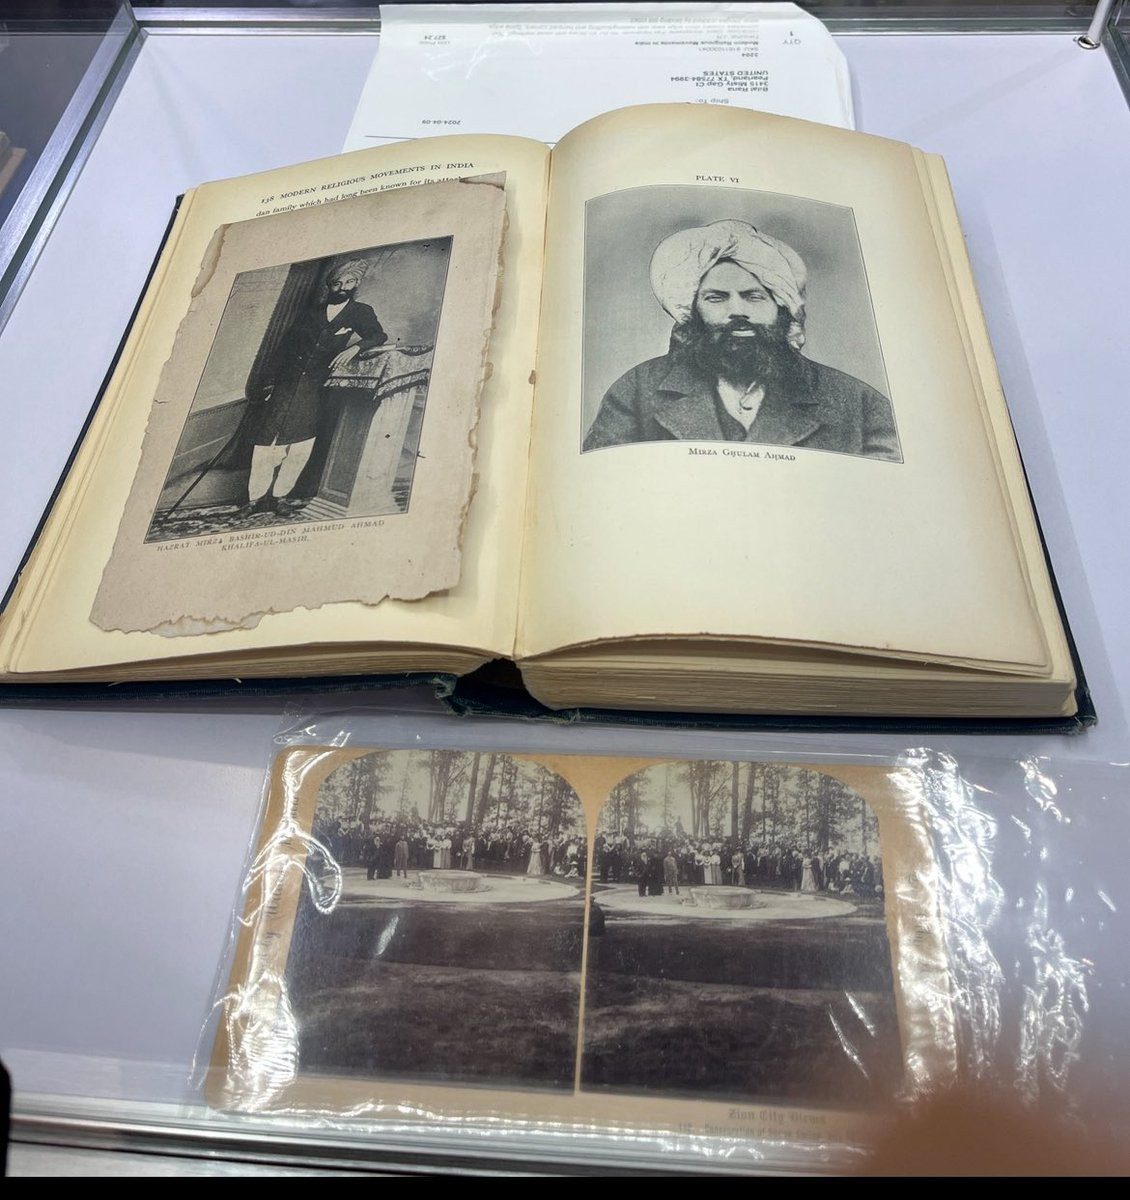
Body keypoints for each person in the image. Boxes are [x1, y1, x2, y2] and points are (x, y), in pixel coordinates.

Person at [583, 220, 899, 461]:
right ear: (693, 311)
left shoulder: (860, 404)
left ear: (782, 308)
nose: (738, 311)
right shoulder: (635, 392)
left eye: (754, 297)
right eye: (717, 298)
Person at [243, 258, 387, 515]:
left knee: (301, 446)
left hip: (316, 388)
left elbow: (379, 335)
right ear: (330, 285)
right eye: (338, 283)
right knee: (266, 444)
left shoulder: (360, 312)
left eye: (350, 282)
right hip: (286, 383)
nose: (343, 287)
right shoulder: (311, 312)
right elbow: (285, 347)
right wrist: (270, 382)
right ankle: (254, 500)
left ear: (356, 285)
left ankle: (280, 498)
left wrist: (355, 347)